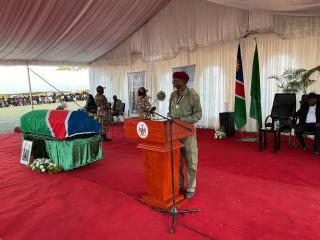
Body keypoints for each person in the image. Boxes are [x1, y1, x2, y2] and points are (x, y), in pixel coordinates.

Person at [168, 71, 202, 199]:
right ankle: (179, 185)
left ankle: (191, 187)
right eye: (173, 79)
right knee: (176, 162)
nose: (173, 82)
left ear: (183, 81)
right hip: (174, 134)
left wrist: (183, 120)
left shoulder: (193, 95)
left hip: (188, 133)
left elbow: (198, 114)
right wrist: (169, 117)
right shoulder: (172, 95)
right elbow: (170, 111)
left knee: (191, 161)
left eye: (175, 79)